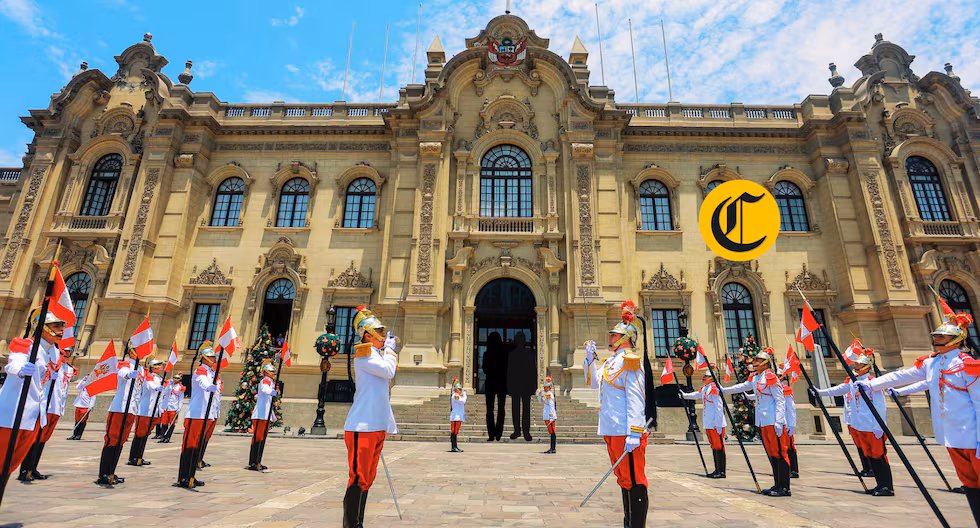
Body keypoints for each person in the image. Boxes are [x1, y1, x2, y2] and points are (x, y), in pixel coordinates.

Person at [860, 311, 980, 519]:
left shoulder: (966, 365)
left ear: (956, 339)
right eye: (935, 336)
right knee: (970, 484)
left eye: (941, 337)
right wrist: (871, 384)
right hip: (954, 437)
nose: (935, 340)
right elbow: (902, 375)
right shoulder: (931, 363)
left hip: (973, 436)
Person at [583, 301, 648, 527]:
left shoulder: (630, 362)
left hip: (626, 430)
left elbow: (636, 398)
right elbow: (593, 383)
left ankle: (636, 524)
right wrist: (590, 360)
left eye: (614, 335)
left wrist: (635, 432)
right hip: (612, 429)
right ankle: (627, 521)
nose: (610, 337)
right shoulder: (611, 362)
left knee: (635, 479)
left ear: (626, 338)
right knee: (623, 478)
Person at [343, 306, 398, 528]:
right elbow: (388, 371)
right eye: (380, 331)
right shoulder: (364, 354)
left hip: (376, 425)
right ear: (368, 334)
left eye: (383, 332)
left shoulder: (377, 354)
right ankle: (350, 525)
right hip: (361, 426)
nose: (384, 335)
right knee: (357, 478)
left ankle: (359, 522)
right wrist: (391, 350)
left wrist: (386, 351)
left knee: (367, 479)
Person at [0, 308, 59, 486]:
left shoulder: (48, 352)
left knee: (9, 466)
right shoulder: (26, 345)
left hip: (32, 418)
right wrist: (20, 370)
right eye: (56, 326)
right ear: (42, 327)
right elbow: (13, 364)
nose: (61, 329)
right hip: (13, 417)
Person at [721, 346, 791, 497]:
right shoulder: (757, 378)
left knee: (780, 452)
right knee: (772, 453)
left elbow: (780, 400)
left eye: (758, 360)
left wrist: (779, 421)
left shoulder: (771, 378)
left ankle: (784, 487)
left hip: (773, 421)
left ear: (766, 363)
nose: (755, 362)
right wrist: (724, 390)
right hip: (764, 421)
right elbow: (743, 386)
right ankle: (777, 484)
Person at [18, 343, 75, 482]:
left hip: (56, 408)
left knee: (42, 440)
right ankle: (25, 469)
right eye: (63, 353)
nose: (66, 356)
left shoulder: (68, 369)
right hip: (47, 406)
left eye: (68, 354)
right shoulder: (53, 366)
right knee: (35, 438)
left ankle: (33, 468)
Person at [95, 341, 143, 488]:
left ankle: (111, 472)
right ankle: (104, 473)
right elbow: (122, 374)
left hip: (131, 409)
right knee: (112, 440)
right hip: (120, 408)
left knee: (121, 441)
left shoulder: (140, 368)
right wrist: (129, 374)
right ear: (131, 352)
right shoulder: (126, 365)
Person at [174, 342, 220, 489]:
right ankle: (184, 478)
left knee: (197, 447)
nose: (214, 359)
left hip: (205, 414)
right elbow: (202, 383)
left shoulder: (211, 372)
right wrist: (209, 386)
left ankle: (191, 476)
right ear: (205, 357)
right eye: (212, 357)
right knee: (190, 446)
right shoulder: (201, 370)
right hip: (196, 414)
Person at [681, 366, 728, 478]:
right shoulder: (706, 388)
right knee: (714, 446)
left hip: (716, 423)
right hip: (709, 423)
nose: (703, 378)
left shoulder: (714, 388)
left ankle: (721, 471)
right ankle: (717, 469)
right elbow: (696, 395)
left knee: (719, 446)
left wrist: (718, 424)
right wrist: (684, 395)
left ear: (712, 378)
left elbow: (719, 407)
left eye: (706, 376)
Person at [127, 357, 165, 467]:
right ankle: (134, 457)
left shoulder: (159, 377)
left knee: (145, 435)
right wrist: (157, 387)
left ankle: (139, 456)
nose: (161, 367)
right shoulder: (149, 376)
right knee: (139, 435)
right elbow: (150, 385)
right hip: (145, 410)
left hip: (153, 410)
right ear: (153, 367)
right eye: (159, 365)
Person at [247, 360, 278, 471]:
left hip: (264, 414)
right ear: (266, 372)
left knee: (261, 438)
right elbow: (265, 389)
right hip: (261, 415)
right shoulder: (266, 380)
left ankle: (257, 462)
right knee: (258, 438)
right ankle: (254, 462)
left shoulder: (270, 381)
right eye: (272, 371)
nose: (274, 373)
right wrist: (271, 391)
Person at [507, 332, 536, 441]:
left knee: (521, 410)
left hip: (524, 385)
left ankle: (521, 431)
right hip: (519, 385)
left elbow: (533, 371)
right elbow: (509, 372)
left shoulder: (529, 354)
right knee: (521, 410)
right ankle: (522, 431)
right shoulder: (512, 354)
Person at [482, 331, 507, 441]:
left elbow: (484, 368)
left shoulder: (487, 354)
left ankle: (491, 434)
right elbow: (507, 368)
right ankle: (498, 434)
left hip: (490, 382)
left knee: (490, 409)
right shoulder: (504, 353)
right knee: (501, 408)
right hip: (501, 382)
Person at [156, 370, 182, 440]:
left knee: (171, 423)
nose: (175, 379)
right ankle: (163, 437)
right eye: (174, 378)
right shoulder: (169, 386)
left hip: (174, 407)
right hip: (166, 406)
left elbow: (181, 398)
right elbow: (165, 392)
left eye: (177, 378)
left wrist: (179, 407)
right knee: (164, 423)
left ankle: (168, 437)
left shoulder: (180, 387)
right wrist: (169, 385)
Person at [69, 374, 96, 440]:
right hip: (78, 404)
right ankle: (74, 434)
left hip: (85, 406)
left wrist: (91, 406)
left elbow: (93, 397)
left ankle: (79, 435)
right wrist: (82, 380)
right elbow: (77, 387)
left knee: (82, 421)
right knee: (77, 420)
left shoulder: (93, 386)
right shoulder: (83, 384)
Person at [537, 376, 557, 454]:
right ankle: (552, 448)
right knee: (551, 432)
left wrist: (552, 416)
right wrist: (539, 395)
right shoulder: (547, 395)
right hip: (547, 415)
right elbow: (541, 401)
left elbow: (552, 405)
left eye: (546, 387)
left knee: (552, 432)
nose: (545, 388)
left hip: (550, 416)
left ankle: (553, 448)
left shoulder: (549, 394)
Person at [449, 378, 466, 453]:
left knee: (456, 432)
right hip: (455, 417)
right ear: (455, 390)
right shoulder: (455, 396)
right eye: (458, 389)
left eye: (460, 389)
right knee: (454, 432)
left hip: (459, 417)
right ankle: (453, 447)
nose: (459, 391)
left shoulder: (459, 396)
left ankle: (455, 446)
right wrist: (464, 395)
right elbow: (463, 401)